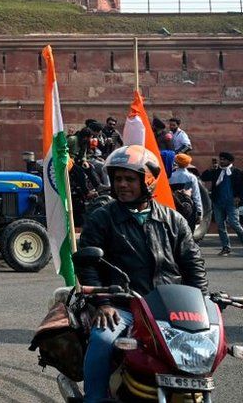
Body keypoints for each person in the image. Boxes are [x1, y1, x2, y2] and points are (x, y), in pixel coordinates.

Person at [77, 145, 207, 402]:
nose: (122, 184)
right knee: (102, 339)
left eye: (129, 179)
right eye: (117, 179)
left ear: (147, 180)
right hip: (123, 305)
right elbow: (87, 263)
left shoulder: (173, 220)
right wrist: (103, 303)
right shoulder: (102, 217)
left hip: (168, 307)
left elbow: (193, 264)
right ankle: (94, 398)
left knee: (202, 349)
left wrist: (202, 303)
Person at [200, 152, 243, 256]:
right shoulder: (216, 171)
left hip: (231, 202)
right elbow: (203, 177)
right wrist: (210, 169)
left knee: (234, 223)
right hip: (218, 202)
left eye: (224, 159)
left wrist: (239, 197)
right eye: (221, 159)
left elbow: (242, 187)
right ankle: (226, 248)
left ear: (229, 161)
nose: (221, 161)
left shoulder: (237, 172)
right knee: (220, 225)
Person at [170, 153, 203, 231]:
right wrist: (199, 212)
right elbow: (196, 196)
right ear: (188, 164)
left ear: (176, 162)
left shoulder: (170, 177)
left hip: (175, 207)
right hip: (189, 208)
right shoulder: (191, 177)